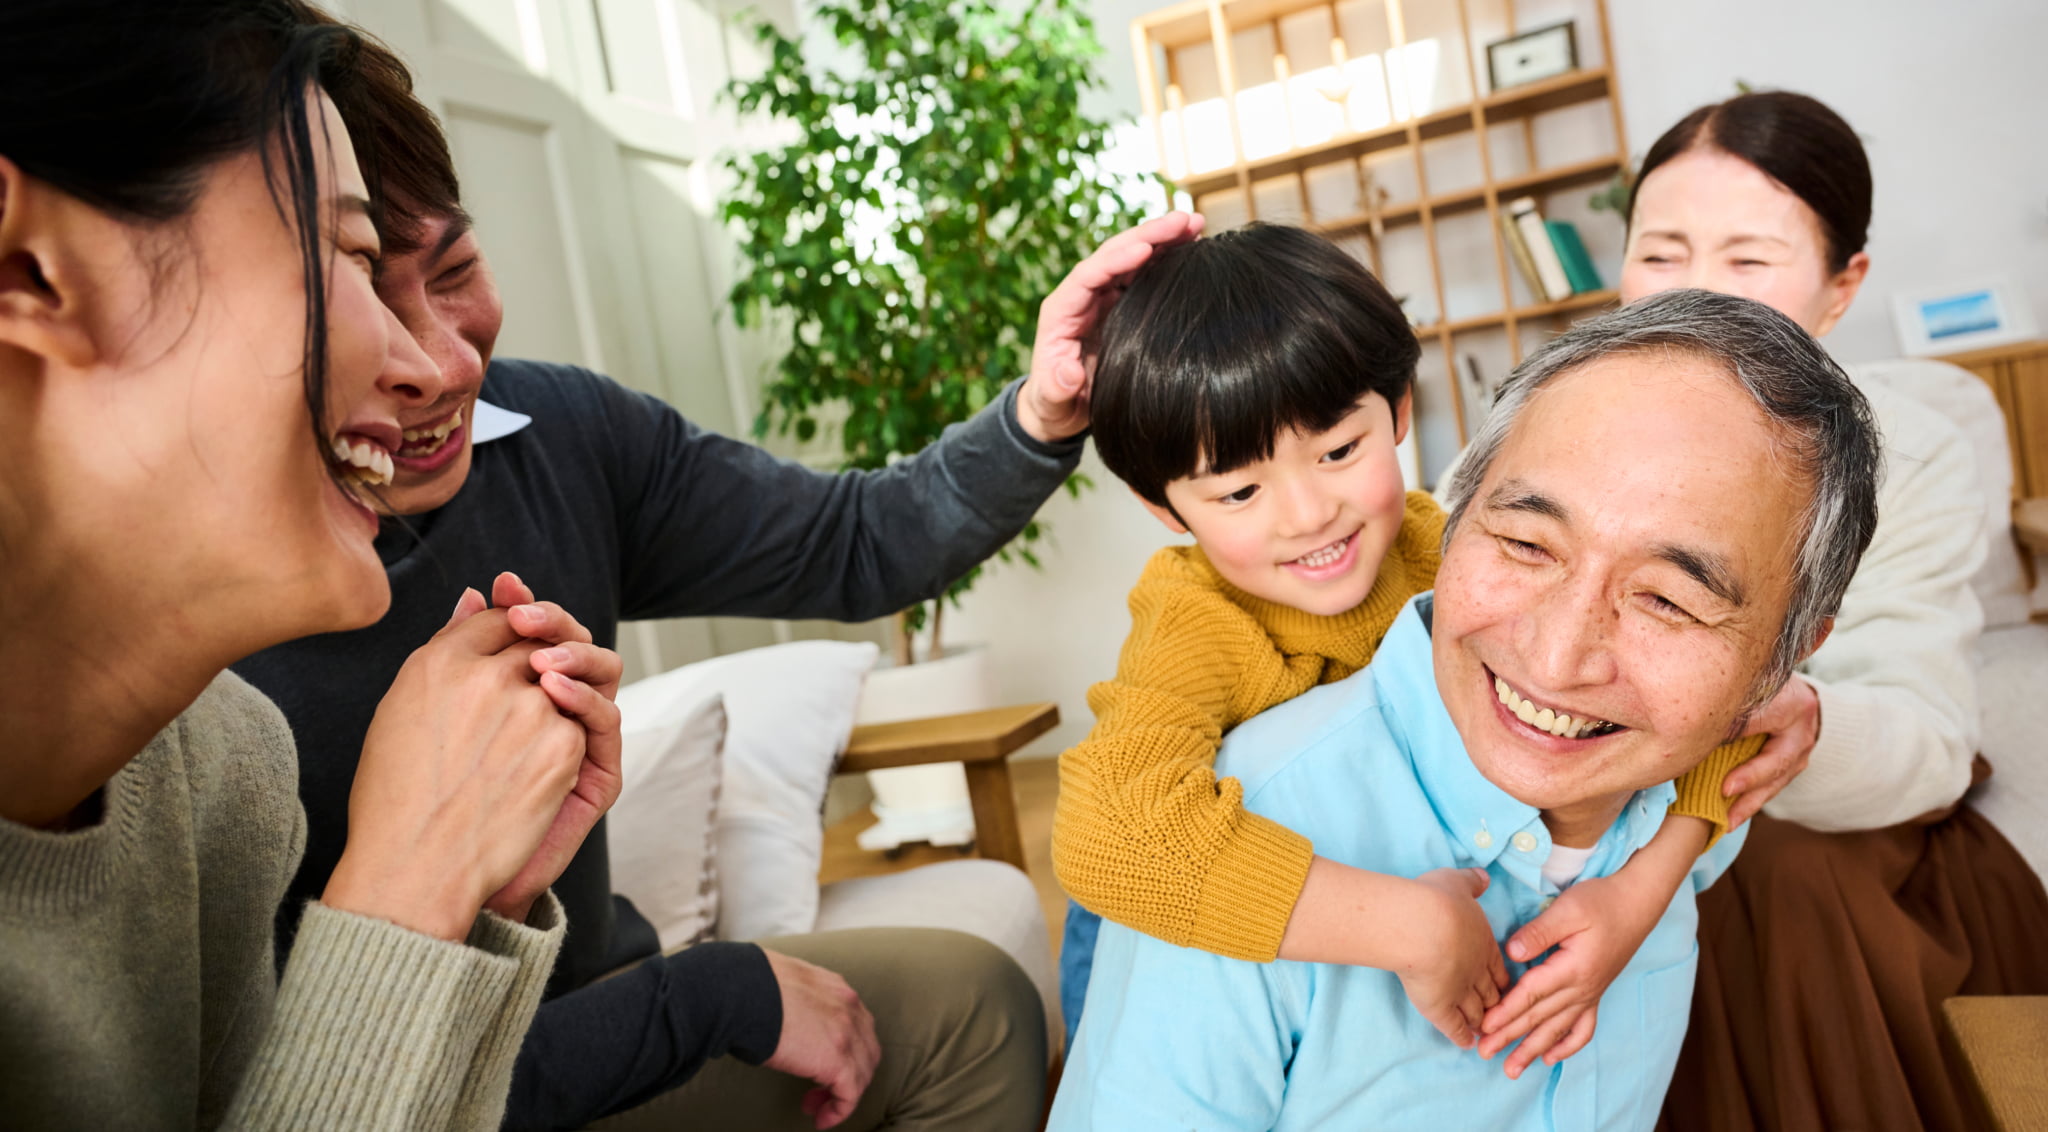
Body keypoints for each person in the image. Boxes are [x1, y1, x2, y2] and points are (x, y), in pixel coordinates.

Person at [231, 19, 1196, 1130]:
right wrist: (705, 995)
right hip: (417, 1082)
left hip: (579, 1010)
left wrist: (1040, 410)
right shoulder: (205, 630)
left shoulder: (565, 435)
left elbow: (856, 540)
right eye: (352, 296)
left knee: (969, 996)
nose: (440, 359)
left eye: (454, 270)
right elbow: (313, 1082)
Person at [0, 1, 626, 1126]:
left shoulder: (226, 774)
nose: (427, 362)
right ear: (28, 268)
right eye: (346, 254)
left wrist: (465, 901)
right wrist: (405, 890)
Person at [1049, 288, 1882, 1130]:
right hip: (1167, 869)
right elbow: (1111, 832)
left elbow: (1731, 740)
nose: (1308, 515)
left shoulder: (1424, 539)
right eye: (1526, 546)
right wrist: (1412, 929)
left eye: (1668, 601)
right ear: (1164, 509)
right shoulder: (1208, 664)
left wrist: (1645, 889)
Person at [1606, 90, 2048, 1132]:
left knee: (1769, 877)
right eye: (1659, 251)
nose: (1694, 292)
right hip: (1608, 778)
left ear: (1838, 286)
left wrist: (1798, 727)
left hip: (1831, 797)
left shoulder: (1910, 448)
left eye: (1748, 259)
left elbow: (1923, 735)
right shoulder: (1547, 421)